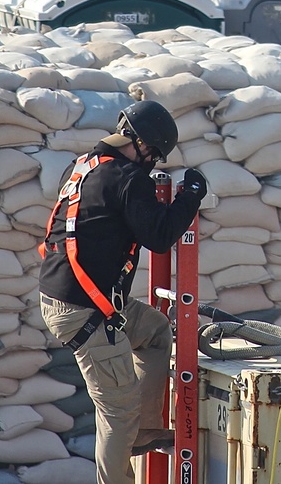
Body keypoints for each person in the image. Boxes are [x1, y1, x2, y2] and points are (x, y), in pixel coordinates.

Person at [38, 99, 207, 484]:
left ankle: (145, 429)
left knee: (154, 331)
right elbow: (160, 236)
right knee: (117, 411)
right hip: (86, 311)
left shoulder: (84, 166)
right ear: (144, 144)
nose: (153, 163)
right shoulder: (129, 179)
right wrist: (190, 195)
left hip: (77, 298)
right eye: (155, 155)